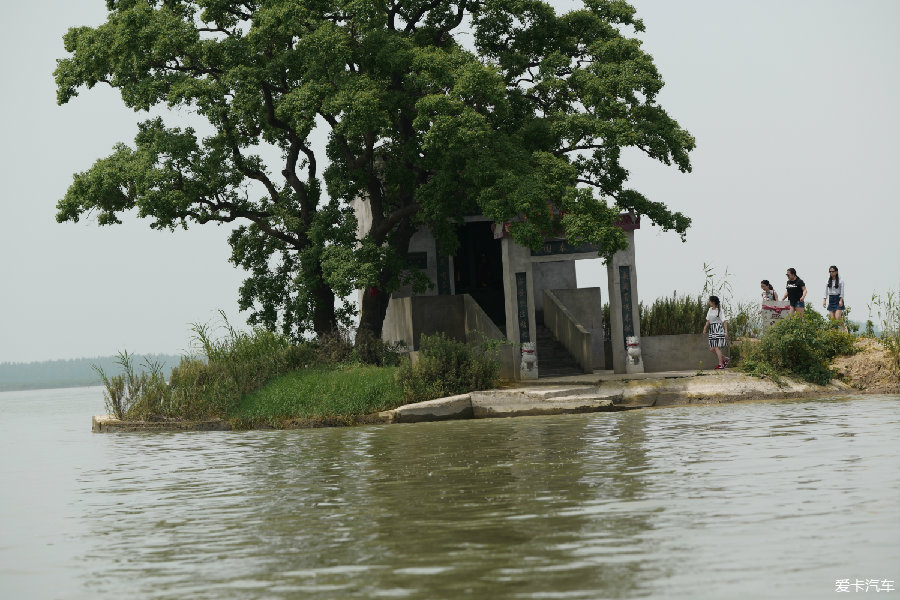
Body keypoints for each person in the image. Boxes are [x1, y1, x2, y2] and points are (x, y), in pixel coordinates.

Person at [702, 295, 729, 369]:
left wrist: (726, 331)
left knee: (716, 347)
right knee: (712, 349)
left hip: (718, 328)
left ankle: (721, 364)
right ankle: (725, 359)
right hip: (712, 329)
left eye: (709, 301)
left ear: (713, 302)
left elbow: (724, 321)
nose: (708, 302)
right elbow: (708, 320)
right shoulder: (710, 309)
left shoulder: (720, 310)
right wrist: (705, 328)